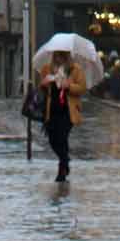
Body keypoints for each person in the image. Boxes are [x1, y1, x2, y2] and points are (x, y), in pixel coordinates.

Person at [39, 50, 88, 183]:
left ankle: (62, 168)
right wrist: (44, 84)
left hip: (67, 111)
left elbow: (82, 88)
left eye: (62, 56)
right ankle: (65, 160)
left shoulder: (75, 70)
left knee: (62, 137)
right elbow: (42, 88)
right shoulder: (47, 69)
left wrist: (69, 86)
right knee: (53, 140)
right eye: (57, 56)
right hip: (51, 110)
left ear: (66, 57)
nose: (59, 59)